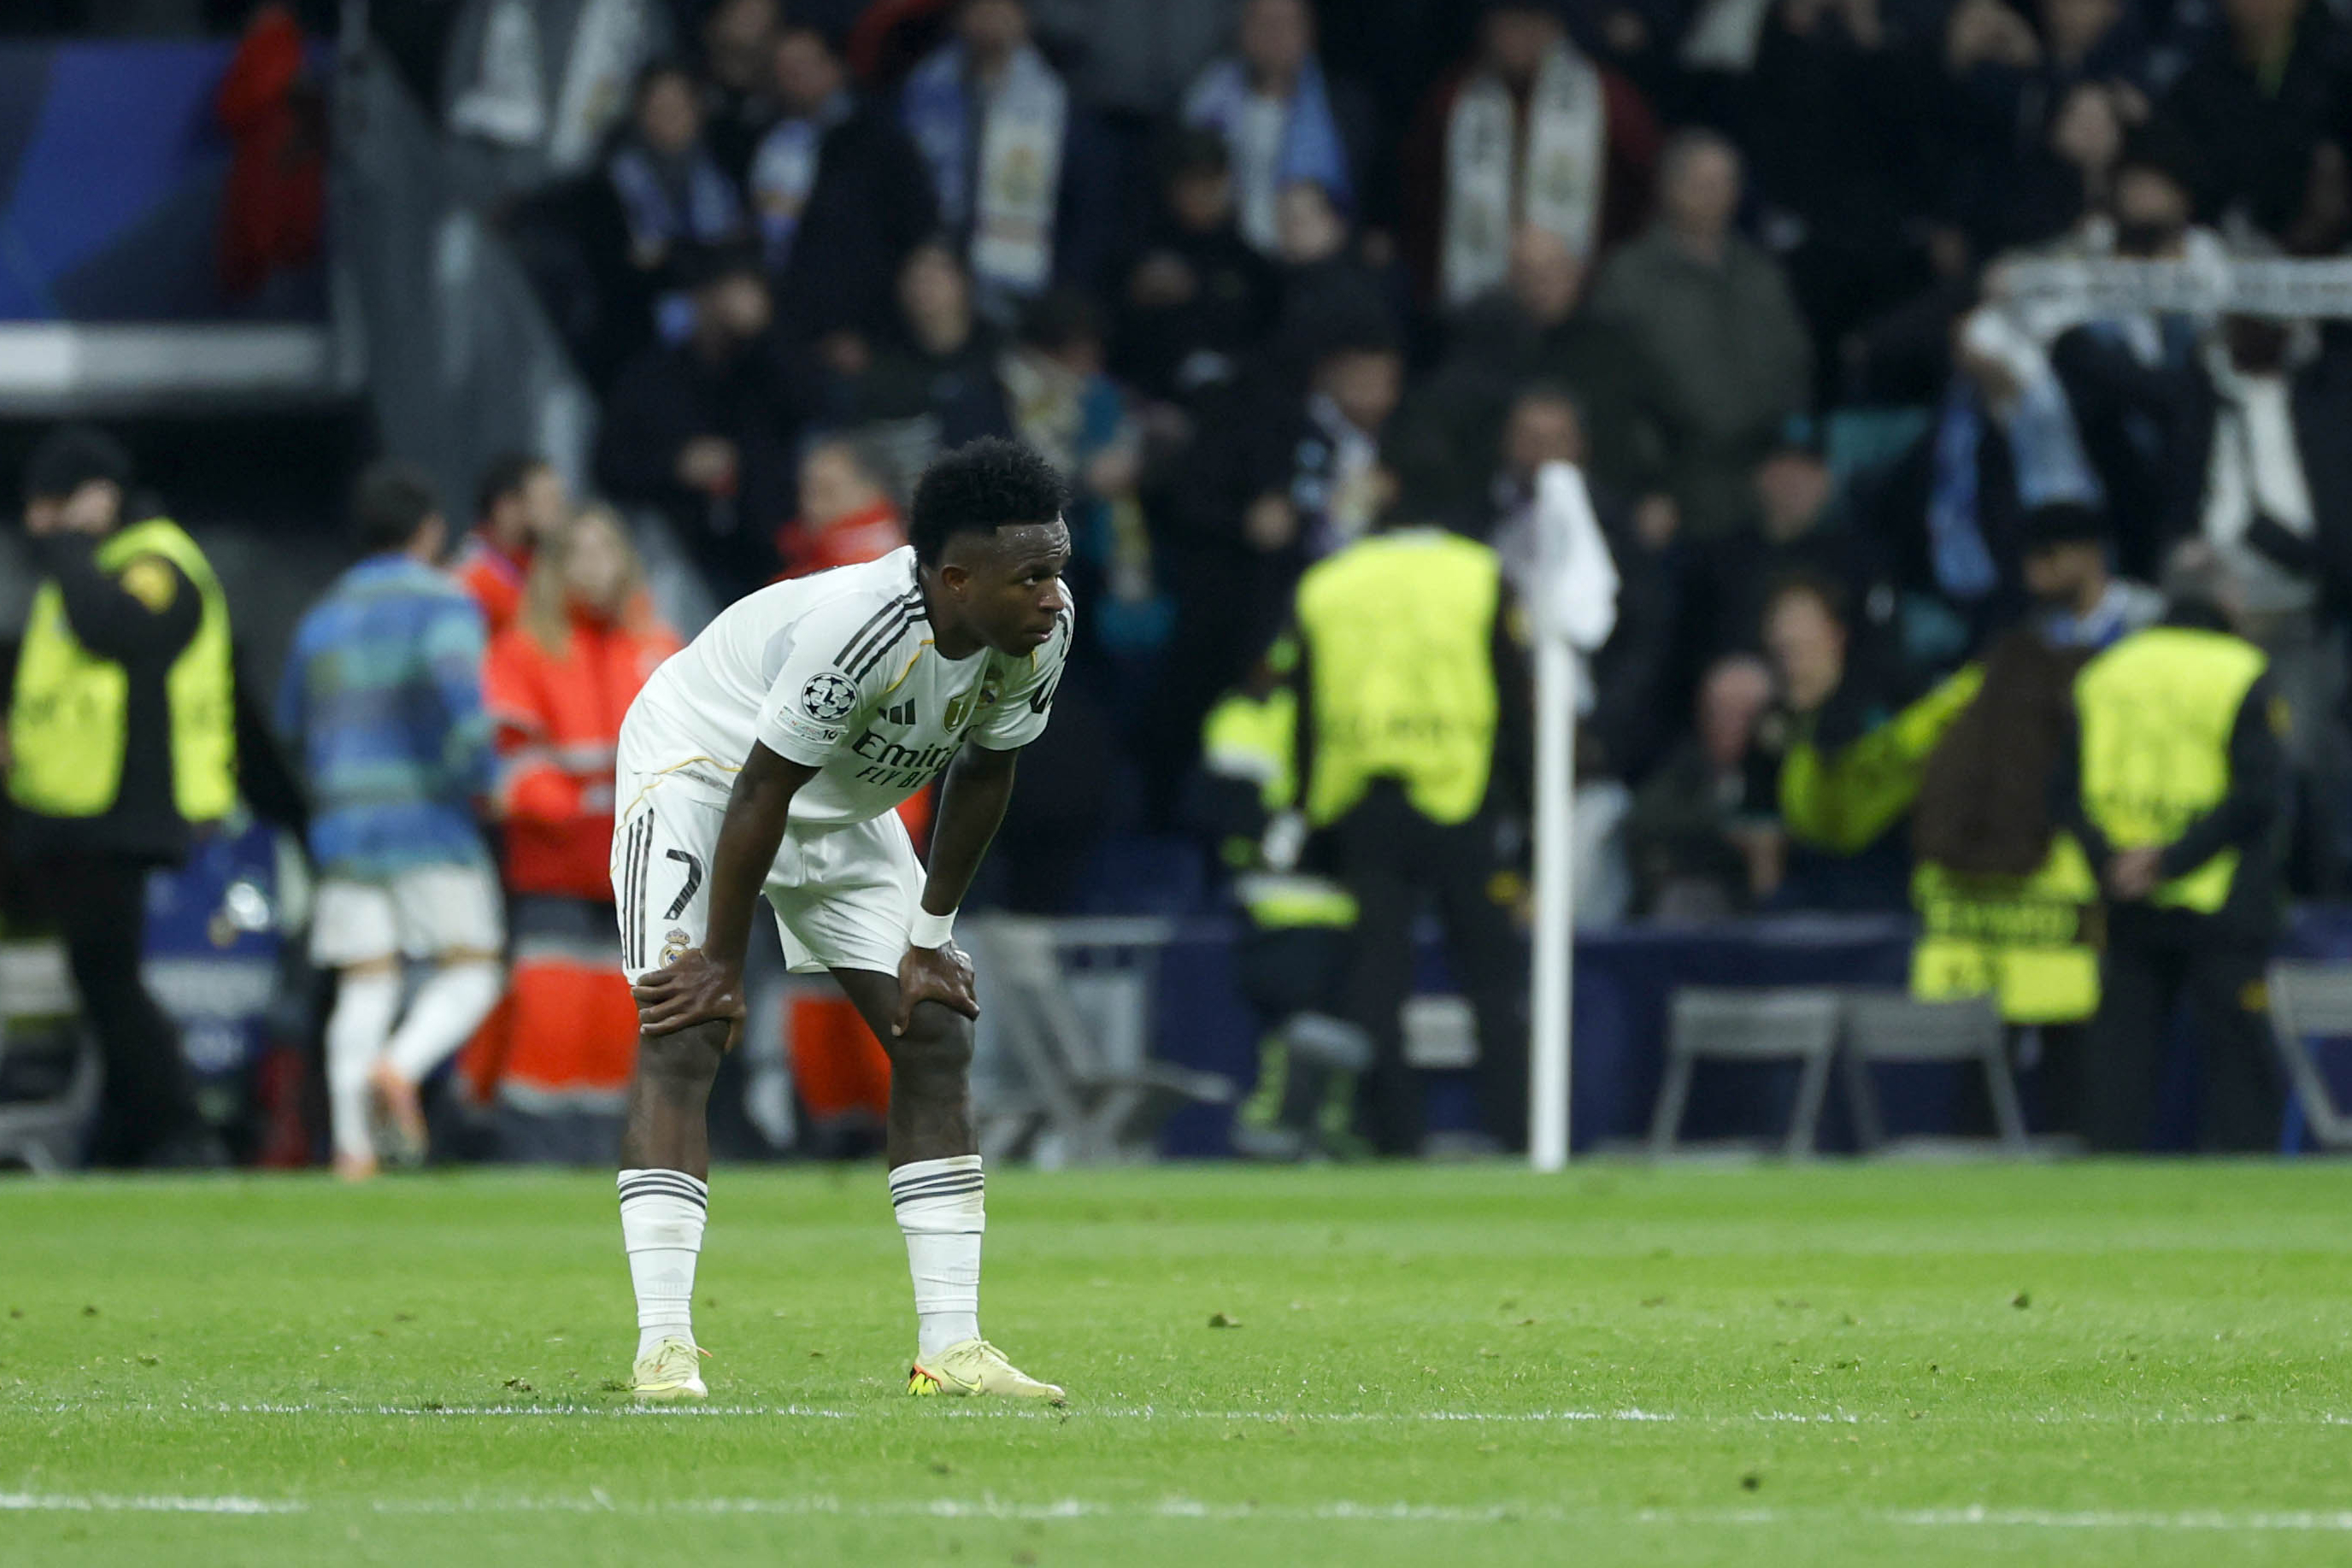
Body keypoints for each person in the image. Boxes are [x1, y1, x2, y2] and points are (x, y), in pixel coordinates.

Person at [610, 437, 1073, 1403]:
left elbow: (986, 772)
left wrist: (931, 937)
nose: (1051, 594)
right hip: (704, 770)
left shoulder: (1044, 629)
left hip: (833, 797)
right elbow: (758, 789)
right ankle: (664, 1348)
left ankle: (950, 1346)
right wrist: (722, 961)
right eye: (1030, 576)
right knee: (684, 1027)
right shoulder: (860, 626)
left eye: (1055, 568)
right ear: (956, 579)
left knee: (934, 1025)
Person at [1282, 434, 1532, 1156]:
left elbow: (1307, 711)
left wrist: (1305, 813)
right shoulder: (1479, 575)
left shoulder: (1331, 582)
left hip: (1364, 807)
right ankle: (1519, 1132)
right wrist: (1530, 813)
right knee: (1492, 979)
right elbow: (1513, 701)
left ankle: (1394, 1140)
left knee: (1376, 980)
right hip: (1463, 797)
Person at [5, 426, 233, 1168]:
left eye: (50, 505)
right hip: (71, 806)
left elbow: (116, 629)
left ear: (93, 499)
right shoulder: (93, 567)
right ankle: (131, 1131)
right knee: (100, 974)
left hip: (122, 806)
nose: (36, 524)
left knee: (109, 974)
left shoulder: (155, 563)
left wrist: (73, 542)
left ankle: (177, 1128)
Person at [279, 464, 503, 1181]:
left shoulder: (323, 616)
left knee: (365, 980)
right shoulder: (443, 603)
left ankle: (353, 1150)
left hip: (344, 825)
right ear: (430, 529)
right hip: (427, 818)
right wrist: (486, 779)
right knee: (473, 969)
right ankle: (399, 1067)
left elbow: (291, 723)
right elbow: (459, 701)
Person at [2058, 541, 2289, 1152]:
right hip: (2219, 895)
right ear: (2228, 598)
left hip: (2125, 895)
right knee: (2238, 1061)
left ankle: (2106, 1184)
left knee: (2121, 1058)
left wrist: (2115, 863)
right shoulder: (2241, 669)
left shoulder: (2107, 670)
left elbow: (2064, 790)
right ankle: (2243, 1181)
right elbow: (2258, 795)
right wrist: (2170, 860)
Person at [478, 506, 681, 1162]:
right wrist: (584, 813)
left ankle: (606, 1168)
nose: (594, 566)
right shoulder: (521, 650)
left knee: (620, 1031)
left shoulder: (660, 648)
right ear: (555, 567)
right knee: (551, 1025)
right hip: (555, 870)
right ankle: (532, 1163)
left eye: (605, 550)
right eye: (579, 553)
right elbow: (510, 763)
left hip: (640, 878)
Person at [1588, 130, 1814, 542]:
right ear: (1670, 189)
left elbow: (1796, 365)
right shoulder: (1631, 278)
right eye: (1703, 184)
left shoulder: (1759, 272)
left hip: (1767, 471)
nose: (1719, 196)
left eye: (1727, 183)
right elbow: (1612, 392)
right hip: (1679, 482)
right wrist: (1647, 485)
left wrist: (1795, 450)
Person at [1399, 0, 1661, 310]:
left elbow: (1644, 184)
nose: (1518, 39)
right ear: (1486, 30)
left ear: (1554, 30)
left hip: (1586, 294)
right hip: (1478, 303)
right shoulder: (1454, 99)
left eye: (1531, 26)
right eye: (1508, 26)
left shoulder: (1606, 96)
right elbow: (1421, 194)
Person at [597, 247, 808, 602]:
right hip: (681, 561)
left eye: (748, 295)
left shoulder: (770, 371)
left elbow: (810, 407)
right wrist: (675, 465)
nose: (734, 308)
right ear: (700, 297)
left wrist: (764, 332)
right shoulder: (652, 378)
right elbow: (610, 463)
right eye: (726, 293)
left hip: (773, 552)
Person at [898, 0, 1106, 314]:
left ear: (1025, 19)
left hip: (1031, 282)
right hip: (934, 264)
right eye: (981, 8)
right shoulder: (922, 89)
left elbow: (1086, 201)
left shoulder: (1058, 97)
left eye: (1003, 8)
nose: (992, 20)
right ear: (959, 18)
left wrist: (1064, 287)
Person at [750, 20, 940, 355]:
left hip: (862, 332)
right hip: (779, 326)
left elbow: (911, 234)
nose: (794, 78)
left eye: (804, 65)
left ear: (834, 69)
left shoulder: (880, 141)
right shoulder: (760, 142)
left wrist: (865, 330)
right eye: (784, 69)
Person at [1181, 0, 1373, 257]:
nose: (1274, 34)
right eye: (1262, 22)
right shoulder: (1204, 99)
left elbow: (1369, 205)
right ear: (1242, 30)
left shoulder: (1345, 108)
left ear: (1309, 31)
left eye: (1286, 23)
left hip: (1318, 263)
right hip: (1223, 256)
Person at [2020, 500, 2162, 653]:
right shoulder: (2042, 629)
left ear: (2089, 551)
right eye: (2029, 558)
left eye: (2047, 554)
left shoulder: (2148, 613)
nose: (2035, 569)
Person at [453, 453, 569, 637]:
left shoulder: (542, 566)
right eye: (548, 500)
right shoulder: (469, 581)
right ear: (507, 508)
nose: (560, 511)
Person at [775, 438, 908, 579]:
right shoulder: (806, 557)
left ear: (872, 491)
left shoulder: (845, 573)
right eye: (803, 492)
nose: (812, 507)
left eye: (827, 491)